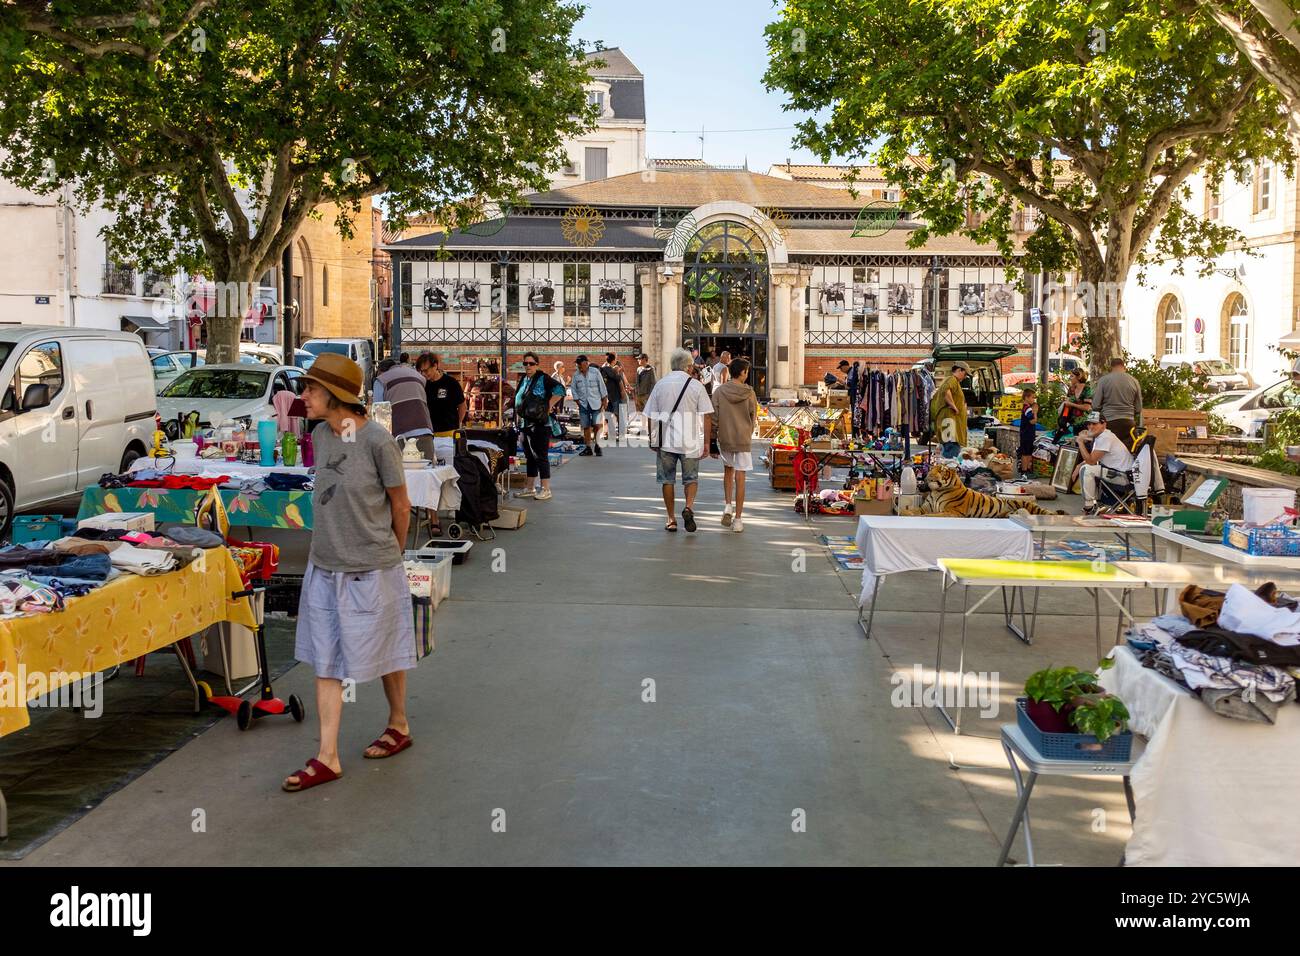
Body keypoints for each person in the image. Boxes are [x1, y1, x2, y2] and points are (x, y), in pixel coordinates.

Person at [284, 353, 415, 792]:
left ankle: (398, 723)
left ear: (334, 396)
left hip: (372, 567)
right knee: (326, 660)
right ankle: (328, 756)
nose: (303, 397)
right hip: (324, 565)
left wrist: (391, 555)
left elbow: (401, 505)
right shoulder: (321, 435)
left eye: (310, 389)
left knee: (387, 648)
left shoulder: (379, 441)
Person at [643, 347, 715, 533]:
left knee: (667, 480)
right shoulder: (696, 385)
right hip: (690, 441)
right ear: (688, 367)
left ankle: (671, 519)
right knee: (691, 478)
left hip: (666, 441)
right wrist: (707, 442)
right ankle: (688, 507)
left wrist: (653, 438)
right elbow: (707, 416)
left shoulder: (660, 384)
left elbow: (651, 414)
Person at [713, 357, 759, 533]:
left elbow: (714, 417)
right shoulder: (750, 393)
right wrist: (748, 430)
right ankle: (738, 519)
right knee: (741, 477)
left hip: (725, 437)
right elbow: (752, 416)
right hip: (743, 439)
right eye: (746, 371)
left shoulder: (719, 392)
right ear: (742, 372)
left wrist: (712, 437)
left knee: (727, 471)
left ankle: (727, 505)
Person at [513, 351, 565, 501]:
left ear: (537, 365)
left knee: (540, 456)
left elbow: (560, 390)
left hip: (540, 424)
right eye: (525, 363)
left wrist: (548, 405)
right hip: (525, 423)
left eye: (531, 363)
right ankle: (530, 488)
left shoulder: (543, 378)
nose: (528, 366)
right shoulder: (524, 379)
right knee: (529, 456)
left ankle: (545, 488)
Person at [373, 357, 435, 461]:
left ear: (381, 371)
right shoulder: (417, 376)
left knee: (402, 474)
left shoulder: (381, 379)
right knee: (427, 470)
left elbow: (379, 414)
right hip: (425, 430)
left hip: (401, 436)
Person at [1076, 412, 1137, 515]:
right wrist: (1079, 465)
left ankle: (1089, 507)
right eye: (1089, 424)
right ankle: (1095, 504)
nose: (1090, 427)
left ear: (1104, 424)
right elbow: (1093, 459)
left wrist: (1080, 442)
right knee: (1087, 468)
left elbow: (1091, 461)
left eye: (1094, 424)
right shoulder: (1103, 436)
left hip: (1125, 478)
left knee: (1087, 470)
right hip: (1122, 474)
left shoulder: (1105, 437)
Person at [1091, 356, 1143, 449]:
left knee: (1108, 452)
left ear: (1111, 367)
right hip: (1128, 423)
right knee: (1127, 452)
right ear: (1124, 367)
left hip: (1109, 422)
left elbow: (1095, 405)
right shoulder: (1134, 381)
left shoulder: (1104, 380)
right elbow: (1139, 408)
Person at [415, 352, 466, 437]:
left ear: (435, 366)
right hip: (429, 433)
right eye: (421, 371)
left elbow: (462, 406)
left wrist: (455, 424)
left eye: (426, 370)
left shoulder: (451, 382)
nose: (423, 374)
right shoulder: (422, 385)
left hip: (450, 432)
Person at [570, 354, 608, 456]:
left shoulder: (595, 372)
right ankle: (588, 448)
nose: (578, 366)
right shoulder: (576, 375)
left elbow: (602, 385)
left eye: (580, 363)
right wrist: (577, 400)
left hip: (596, 403)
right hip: (583, 404)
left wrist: (604, 399)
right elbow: (573, 388)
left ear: (586, 363)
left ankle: (598, 446)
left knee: (597, 425)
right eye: (577, 364)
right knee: (586, 426)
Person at [930, 362, 969, 457]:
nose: (965, 376)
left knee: (951, 448)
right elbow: (946, 391)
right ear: (959, 370)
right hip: (949, 422)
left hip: (950, 423)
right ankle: (948, 469)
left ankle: (947, 468)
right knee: (952, 449)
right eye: (965, 373)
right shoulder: (952, 379)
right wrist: (953, 406)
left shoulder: (954, 382)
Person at [1055, 367, 1093, 439]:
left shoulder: (1087, 389)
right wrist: (1063, 418)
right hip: (1073, 423)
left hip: (1085, 422)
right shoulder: (1071, 389)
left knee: (1084, 442)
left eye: (1072, 376)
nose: (1070, 378)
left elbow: (1087, 407)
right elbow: (1067, 405)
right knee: (1075, 443)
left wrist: (1071, 404)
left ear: (1079, 377)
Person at [600, 352, 628, 446]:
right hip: (615, 396)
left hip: (607, 396)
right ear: (613, 360)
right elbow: (619, 379)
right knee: (618, 415)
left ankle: (608, 434)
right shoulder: (610, 369)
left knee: (608, 415)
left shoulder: (603, 369)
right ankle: (620, 435)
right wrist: (623, 392)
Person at [632, 352, 657, 436]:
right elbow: (637, 382)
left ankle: (650, 430)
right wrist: (635, 393)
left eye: (639, 359)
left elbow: (653, 383)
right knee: (641, 413)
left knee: (648, 413)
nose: (638, 360)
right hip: (639, 395)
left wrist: (650, 395)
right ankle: (643, 429)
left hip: (646, 395)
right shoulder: (638, 369)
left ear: (644, 359)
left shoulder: (651, 369)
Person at [1018, 385, 1038, 476]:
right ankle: (1024, 470)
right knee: (1025, 453)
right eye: (1032, 397)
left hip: (1028, 433)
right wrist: (1035, 412)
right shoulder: (1028, 408)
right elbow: (1033, 421)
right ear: (1026, 397)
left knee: (1029, 452)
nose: (1034, 399)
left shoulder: (1026, 407)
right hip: (1026, 434)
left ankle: (1028, 469)